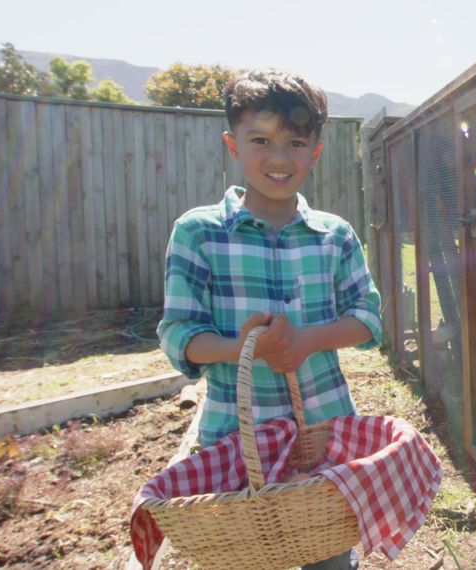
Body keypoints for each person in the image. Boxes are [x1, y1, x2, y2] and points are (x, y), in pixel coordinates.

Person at [156, 68, 380, 570]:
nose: (279, 158)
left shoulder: (334, 235)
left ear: (315, 152)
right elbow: (179, 334)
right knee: (245, 556)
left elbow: (368, 318)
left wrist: (305, 341)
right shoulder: (200, 233)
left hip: (324, 433)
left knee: (329, 555)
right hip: (237, 440)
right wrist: (243, 347)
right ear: (232, 145)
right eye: (261, 139)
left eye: (295, 142)